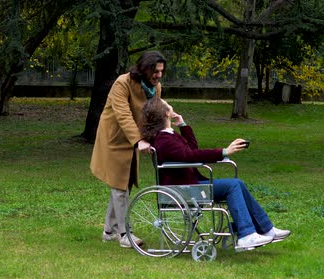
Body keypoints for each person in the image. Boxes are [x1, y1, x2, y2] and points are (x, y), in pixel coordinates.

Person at [141, 97, 291, 251]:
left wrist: (183, 125)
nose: (171, 106)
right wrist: (224, 151)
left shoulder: (168, 135)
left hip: (188, 185)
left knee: (237, 183)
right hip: (184, 189)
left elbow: (191, 150)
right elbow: (191, 156)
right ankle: (247, 234)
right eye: (168, 105)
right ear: (167, 113)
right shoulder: (165, 140)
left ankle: (266, 229)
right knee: (232, 185)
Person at [90, 51, 167, 248]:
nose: (159, 75)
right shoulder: (122, 82)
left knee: (124, 184)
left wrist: (164, 134)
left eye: (161, 71)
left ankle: (109, 231)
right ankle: (125, 234)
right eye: (155, 71)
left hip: (134, 139)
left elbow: (155, 115)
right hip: (114, 139)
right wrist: (138, 141)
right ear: (144, 68)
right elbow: (123, 114)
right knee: (119, 186)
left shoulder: (156, 87)